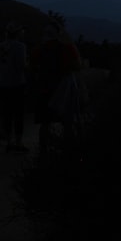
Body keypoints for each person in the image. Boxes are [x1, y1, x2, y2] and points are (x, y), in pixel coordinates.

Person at [32, 24, 82, 155]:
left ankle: (43, 152)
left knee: (45, 123)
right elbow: (77, 66)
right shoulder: (67, 49)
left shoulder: (39, 50)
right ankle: (68, 151)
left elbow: (31, 67)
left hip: (44, 91)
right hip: (63, 90)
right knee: (67, 122)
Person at [0, 22, 29, 152]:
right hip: (17, 83)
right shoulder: (20, 46)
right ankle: (18, 142)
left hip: (3, 83)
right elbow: (22, 65)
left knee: (7, 113)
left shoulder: (1, 46)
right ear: (17, 33)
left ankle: (8, 142)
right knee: (18, 114)